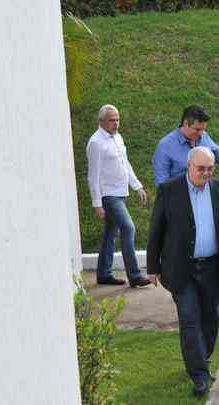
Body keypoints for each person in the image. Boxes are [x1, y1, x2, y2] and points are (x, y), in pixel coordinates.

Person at [146, 147, 219, 397]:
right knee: (190, 320)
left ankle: (200, 359)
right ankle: (200, 375)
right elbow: (156, 230)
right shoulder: (169, 191)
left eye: (210, 169)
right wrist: (152, 268)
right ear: (189, 166)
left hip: (213, 268)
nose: (206, 173)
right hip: (181, 269)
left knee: (209, 321)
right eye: (201, 168)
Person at [152, 105, 219, 328]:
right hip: (181, 214)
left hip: (206, 205)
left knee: (215, 252)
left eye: (203, 130)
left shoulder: (203, 137)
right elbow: (162, 183)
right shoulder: (165, 147)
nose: (200, 134)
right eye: (196, 130)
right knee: (186, 266)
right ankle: (191, 310)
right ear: (185, 124)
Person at [86, 104, 151, 287]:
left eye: (117, 119)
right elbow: (93, 175)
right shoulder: (96, 143)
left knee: (110, 234)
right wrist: (97, 203)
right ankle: (135, 275)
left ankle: (103, 274)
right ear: (101, 121)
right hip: (109, 195)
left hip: (120, 192)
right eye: (112, 120)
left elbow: (125, 164)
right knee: (128, 227)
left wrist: (137, 186)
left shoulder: (117, 137)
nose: (116, 123)